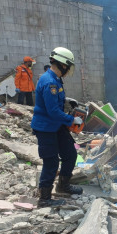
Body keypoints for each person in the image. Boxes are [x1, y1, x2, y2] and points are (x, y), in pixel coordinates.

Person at [31, 47, 83, 207]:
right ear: (63, 65)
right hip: (46, 127)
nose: (68, 70)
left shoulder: (55, 79)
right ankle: (44, 198)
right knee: (51, 162)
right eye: (68, 67)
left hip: (56, 125)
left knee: (70, 154)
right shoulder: (50, 82)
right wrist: (72, 120)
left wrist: (66, 101)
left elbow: (54, 102)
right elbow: (53, 111)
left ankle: (63, 185)